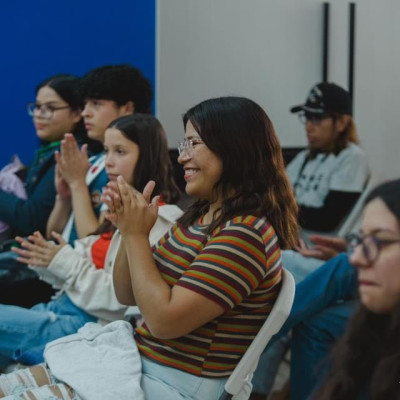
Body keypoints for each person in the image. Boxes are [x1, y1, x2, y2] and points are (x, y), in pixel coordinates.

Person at [0, 96, 299, 400]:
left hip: (168, 384)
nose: (182, 157)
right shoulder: (200, 218)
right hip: (138, 364)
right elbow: (127, 293)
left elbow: (162, 322)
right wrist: (125, 231)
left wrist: (135, 236)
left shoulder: (244, 234)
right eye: (184, 145)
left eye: (193, 144)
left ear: (234, 149)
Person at [0, 114, 181, 372]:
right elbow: (84, 253)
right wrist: (51, 256)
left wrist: (62, 260)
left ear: (148, 156)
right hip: (63, 307)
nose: (108, 162)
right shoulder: (122, 213)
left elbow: (125, 302)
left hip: (89, 324)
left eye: (120, 151)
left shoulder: (159, 218)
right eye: (106, 151)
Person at [0, 74, 96, 307]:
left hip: (49, 268)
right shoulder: (46, 151)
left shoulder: (69, 156)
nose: (39, 115)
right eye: (37, 107)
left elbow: (32, 220)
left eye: (50, 108)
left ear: (76, 113)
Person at [46, 64, 153, 244]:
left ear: (127, 108)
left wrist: (77, 184)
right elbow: (53, 234)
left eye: (96, 104)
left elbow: (96, 244)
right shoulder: (94, 161)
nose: (85, 113)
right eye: (85, 104)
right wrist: (64, 198)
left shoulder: (127, 167)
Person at [287, 82, 370, 233]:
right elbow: (278, 194)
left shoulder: (352, 158)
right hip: (294, 239)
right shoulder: (305, 156)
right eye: (306, 117)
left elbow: (326, 220)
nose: (308, 126)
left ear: (341, 123)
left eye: (317, 118)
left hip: (317, 247)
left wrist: (279, 211)